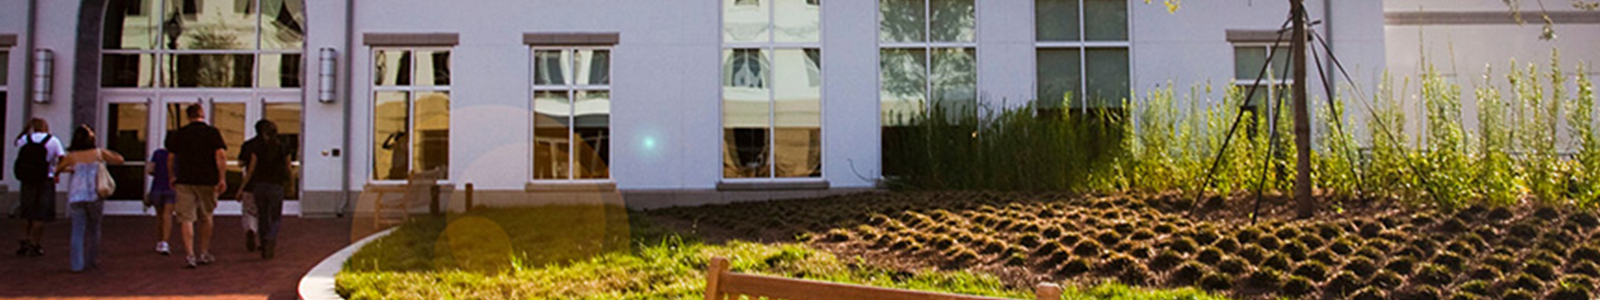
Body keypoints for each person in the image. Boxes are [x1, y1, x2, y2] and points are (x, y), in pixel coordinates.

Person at [165, 104, 227, 268]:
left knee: (186, 219)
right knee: (206, 216)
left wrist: (172, 176)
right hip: (207, 179)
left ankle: (189, 255)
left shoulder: (180, 134)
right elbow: (220, 156)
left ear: (188, 116)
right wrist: (222, 178)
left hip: (185, 180)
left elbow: (171, 157)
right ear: (203, 114)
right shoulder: (212, 133)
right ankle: (204, 252)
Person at [56, 125, 124, 272]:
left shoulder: (72, 156)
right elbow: (119, 160)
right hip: (95, 194)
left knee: (77, 229)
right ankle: (91, 260)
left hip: (76, 196)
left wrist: (71, 169)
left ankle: (76, 264)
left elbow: (57, 169)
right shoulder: (98, 153)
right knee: (94, 228)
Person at [239, 120, 291, 259]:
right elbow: (288, 166)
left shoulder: (257, 147)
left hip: (259, 185)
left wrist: (242, 187)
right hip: (276, 185)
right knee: (275, 216)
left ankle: (263, 242)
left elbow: (251, 169)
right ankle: (270, 237)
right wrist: (290, 183)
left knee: (262, 215)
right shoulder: (283, 146)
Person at [13, 118, 65, 257]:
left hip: (28, 179)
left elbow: (16, 143)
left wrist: (25, 130)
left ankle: (23, 240)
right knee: (40, 213)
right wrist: (57, 172)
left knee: (27, 210)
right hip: (45, 178)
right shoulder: (53, 140)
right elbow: (61, 158)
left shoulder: (26, 139)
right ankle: (35, 243)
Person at [146, 148, 176, 255]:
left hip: (157, 188)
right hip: (171, 188)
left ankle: (159, 241)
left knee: (159, 216)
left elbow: (150, 170)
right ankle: (165, 242)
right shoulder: (178, 154)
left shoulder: (157, 153)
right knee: (167, 215)